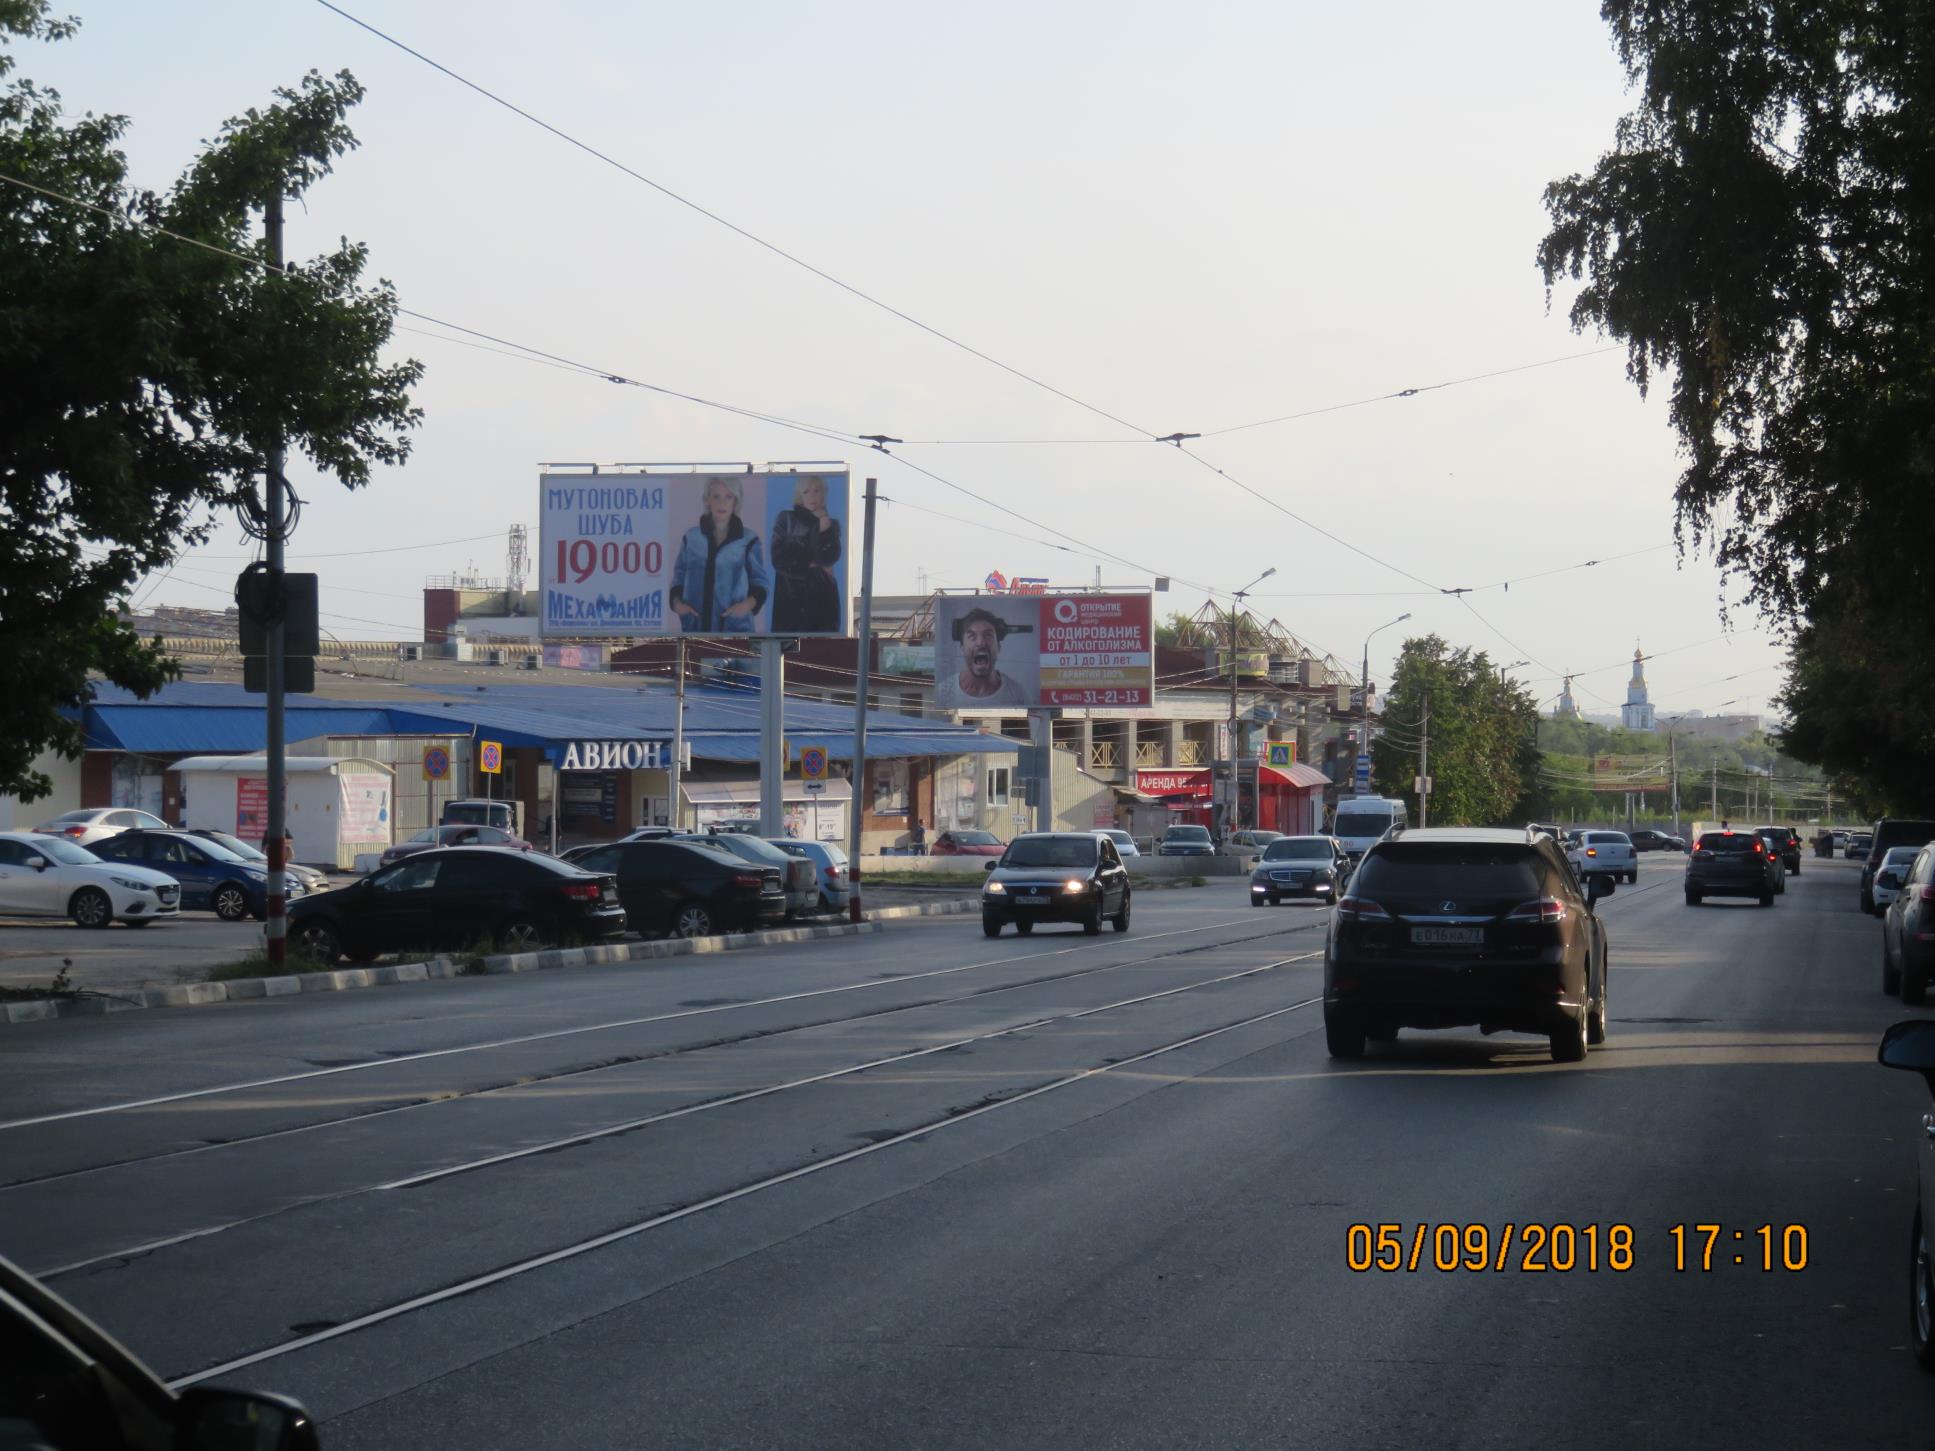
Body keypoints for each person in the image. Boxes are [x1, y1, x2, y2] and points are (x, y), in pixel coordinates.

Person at [670, 476, 771, 633]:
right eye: (716, 496)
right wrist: (678, 606)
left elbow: (760, 583)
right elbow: (678, 577)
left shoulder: (749, 540)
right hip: (694, 630)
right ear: (707, 500)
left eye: (728, 497)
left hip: (736, 631)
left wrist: (746, 606)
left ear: (736, 501)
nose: (721, 503)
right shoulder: (691, 538)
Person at [769, 474, 842, 633]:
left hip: (823, 603)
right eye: (806, 491)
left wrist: (823, 531)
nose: (812, 496)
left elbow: (828, 558)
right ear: (799, 496)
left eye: (816, 490)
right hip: (790, 604)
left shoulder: (831, 524)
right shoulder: (786, 519)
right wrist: (810, 559)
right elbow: (779, 559)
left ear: (823, 494)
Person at [939, 607, 1032, 708]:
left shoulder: (1018, 695)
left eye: (988, 635)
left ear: (998, 647)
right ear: (962, 648)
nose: (980, 643)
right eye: (972, 637)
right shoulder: (943, 693)